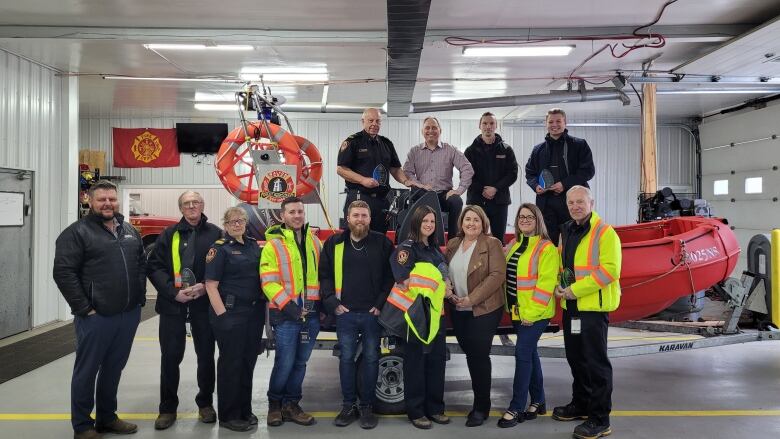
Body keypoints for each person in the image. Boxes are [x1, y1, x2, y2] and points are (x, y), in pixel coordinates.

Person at [53, 180, 145, 439]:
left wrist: (138, 299)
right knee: (87, 370)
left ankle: (107, 418)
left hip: (127, 314)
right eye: (102, 199)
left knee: (114, 367)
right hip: (96, 317)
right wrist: (84, 308)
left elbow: (140, 264)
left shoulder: (128, 230)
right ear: (89, 201)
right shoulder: (76, 233)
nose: (108, 204)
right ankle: (82, 425)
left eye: (112, 199)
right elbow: (63, 273)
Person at [146, 191, 222, 430]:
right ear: (181, 208)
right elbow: (154, 266)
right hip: (172, 305)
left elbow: (223, 265)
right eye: (187, 203)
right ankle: (167, 409)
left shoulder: (216, 234)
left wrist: (205, 287)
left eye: (195, 202)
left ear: (202, 205)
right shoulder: (168, 234)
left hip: (203, 304)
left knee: (206, 356)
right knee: (170, 358)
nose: (192, 206)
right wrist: (172, 292)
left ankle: (205, 404)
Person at [552, 186, 621, 439]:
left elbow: (609, 271)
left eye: (580, 201)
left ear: (591, 202)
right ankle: (581, 404)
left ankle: (601, 419)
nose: (575, 206)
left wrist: (574, 291)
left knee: (596, 363)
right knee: (576, 358)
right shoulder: (566, 230)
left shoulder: (605, 232)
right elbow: (565, 265)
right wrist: (561, 286)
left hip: (592, 308)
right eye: (571, 202)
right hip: (571, 307)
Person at [319, 200, 395, 429]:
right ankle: (348, 405)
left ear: (370, 219)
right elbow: (324, 275)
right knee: (346, 360)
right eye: (356, 215)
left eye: (364, 215)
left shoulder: (382, 243)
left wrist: (380, 303)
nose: (360, 219)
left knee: (372, 359)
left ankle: (367, 407)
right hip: (346, 314)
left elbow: (390, 277)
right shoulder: (334, 242)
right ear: (348, 218)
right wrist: (332, 301)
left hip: (373, 314)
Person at [260, 197, 323, 427]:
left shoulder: (315, 243)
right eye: (292, 212)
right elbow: (268, 282)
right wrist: (292, 308)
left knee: (301, 362)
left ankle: (291, 404)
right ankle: (275, 405)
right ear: (282, 216)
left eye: (300, 211)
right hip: (286, 315)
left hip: (312, 315)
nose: (297, 216)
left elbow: (321, 277)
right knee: (285, 362)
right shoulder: (273, 246)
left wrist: (321, 308)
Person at [497, 203, 559, 428]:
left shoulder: (546, 248)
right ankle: (539, 401)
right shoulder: (514, 244)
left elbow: (545, 286)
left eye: (529, 217)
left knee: (522, 353)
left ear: (537, 220)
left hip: (535, 314)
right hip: (517, 312)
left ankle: (516, 407)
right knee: (531, 354)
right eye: (521, 217)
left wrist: (531, 314)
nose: (524, 220)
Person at [444, 205, 506, 427]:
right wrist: (447, 287)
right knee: (470, 353)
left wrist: (472, 298)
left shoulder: (492, 244)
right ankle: (481, 401)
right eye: (468, 219)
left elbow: (497, 275)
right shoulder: (453, 244)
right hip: (458, 308)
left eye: (476, 220)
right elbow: (443, 269)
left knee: (479, 356)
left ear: (483, 223)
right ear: (461, 222)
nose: (471, 223)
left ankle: (481, 407)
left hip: (484, 309)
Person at [388, 205, 449, 430]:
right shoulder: (407, 248)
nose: (429, 225)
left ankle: (435, 409)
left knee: (436, 363)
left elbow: (443, 280)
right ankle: (416, 411)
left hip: (436, 316)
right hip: (416, 317)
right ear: (416, 223)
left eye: (433, 222)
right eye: (425, 221)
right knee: (415, 364)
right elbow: (403, 279)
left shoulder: (435, 250)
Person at [204, 207, 264, 432]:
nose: (237, 224)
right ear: (226, 225)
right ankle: (229, 415)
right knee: (231, 364)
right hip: (229, 313)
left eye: (240, 220)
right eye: (232, 221)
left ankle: (244, 410)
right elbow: (211, 286)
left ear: (246, 223)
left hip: (253, 314)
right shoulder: (219, 249)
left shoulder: (252, 245)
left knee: (248, 362)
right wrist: (223, 317)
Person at [525, 108, 595, 245]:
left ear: (565, 123)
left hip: (571, 202)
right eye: (551, 121)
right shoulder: (537, 150)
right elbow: (530, 173)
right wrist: (536, 186)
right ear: (546, 124)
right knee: (548, 243)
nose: (554, 124)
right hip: (546, 204)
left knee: (575, 241)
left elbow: (588, 171)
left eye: (558, 121)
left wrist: (565, 184)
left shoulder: (579, 145)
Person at [337, 107, 413, 233]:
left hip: (382, 201)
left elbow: (395, 169)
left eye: (378, 121)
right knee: (356, 238)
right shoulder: (353, 142)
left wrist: (405, 181)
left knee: (379, 239)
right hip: (359, 198)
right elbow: (341, 169)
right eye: (370, 120)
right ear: (363, 121)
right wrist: (363, 180)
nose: (374, 124)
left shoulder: (386, 144)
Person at [403, 116, 474, 239]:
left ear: (440, 130)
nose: (431, 131)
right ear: (422, 131)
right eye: (427, 128)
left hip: (443, 195)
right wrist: (420, 185)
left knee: (456, 201)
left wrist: (459, 190)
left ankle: (453, 241)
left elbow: (468, 169)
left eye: (434, 127)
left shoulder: (450, 150)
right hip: (422, 193)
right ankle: (415, 241)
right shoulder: (414, 151)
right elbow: (407, 172)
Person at [464, 112, 519, 243]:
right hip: (477, 200)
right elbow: (465, 175)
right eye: (485, 123)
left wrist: (496, 188)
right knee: (474, 238)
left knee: (498, 239)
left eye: (491, 123)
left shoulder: (506, 150)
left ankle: (497, 263)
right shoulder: (470, 151)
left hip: (499, 201)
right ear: (479, 125)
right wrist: (482, 189)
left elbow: (512, 173)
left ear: (496, 126)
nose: (488, 126)